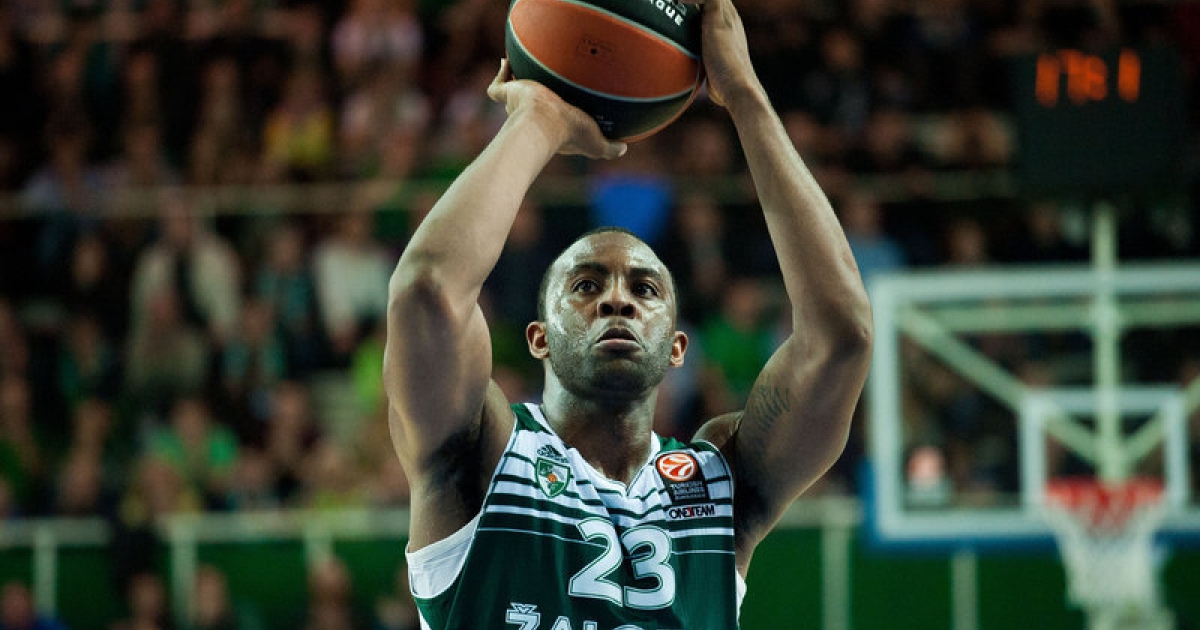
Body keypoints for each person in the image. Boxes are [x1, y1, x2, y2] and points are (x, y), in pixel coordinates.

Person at [384, 0, 873, 626]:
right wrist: (539, 119)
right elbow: (427, 291)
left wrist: (745, 97)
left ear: (677, 346)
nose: (617, 298)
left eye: (646, 289)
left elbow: (842, 337)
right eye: (586, 285)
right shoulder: (482, 456)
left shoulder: (719, 485)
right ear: (538, 338)